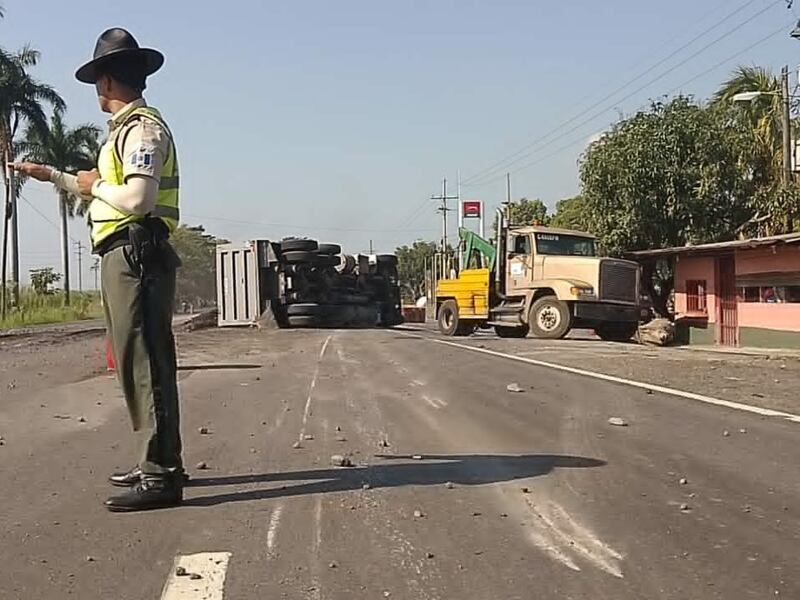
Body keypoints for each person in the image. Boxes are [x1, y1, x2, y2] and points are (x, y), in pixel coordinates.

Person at [10, 28, 184, 512]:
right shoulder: (124, 132)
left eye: (96, 82)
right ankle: (157, 460)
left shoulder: (142, 130)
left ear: (105, 81)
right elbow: (102, 188)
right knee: (135, 360)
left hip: (136, 253)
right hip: (123, 253)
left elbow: (138, 198)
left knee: (145, 360)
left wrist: (93, 185)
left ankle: (161, 474)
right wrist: (53, 175)